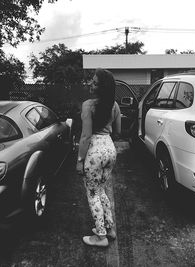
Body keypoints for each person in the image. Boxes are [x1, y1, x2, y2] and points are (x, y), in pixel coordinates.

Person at [76, 68, 121, 247]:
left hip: (94, 152)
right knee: (101, 190)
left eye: (94, 83)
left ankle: (100, 237)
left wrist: (80, 161)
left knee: (93, 193)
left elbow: (86, 136)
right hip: (110, 150)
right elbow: (118, 132)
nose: (90, 84)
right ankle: (109, 229)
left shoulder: (88, 105)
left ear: (102, 88)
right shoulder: (115, 105)